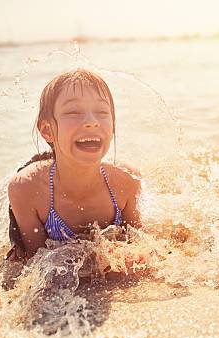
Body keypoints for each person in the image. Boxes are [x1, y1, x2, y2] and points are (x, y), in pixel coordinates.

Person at [7, 69, 141, 261]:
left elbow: (141, 252)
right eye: (73, 112)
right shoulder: (27, 190)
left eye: (102, 112)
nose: (92, 122)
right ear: (47, 130)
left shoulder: (127, 181)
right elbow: (35, 268)